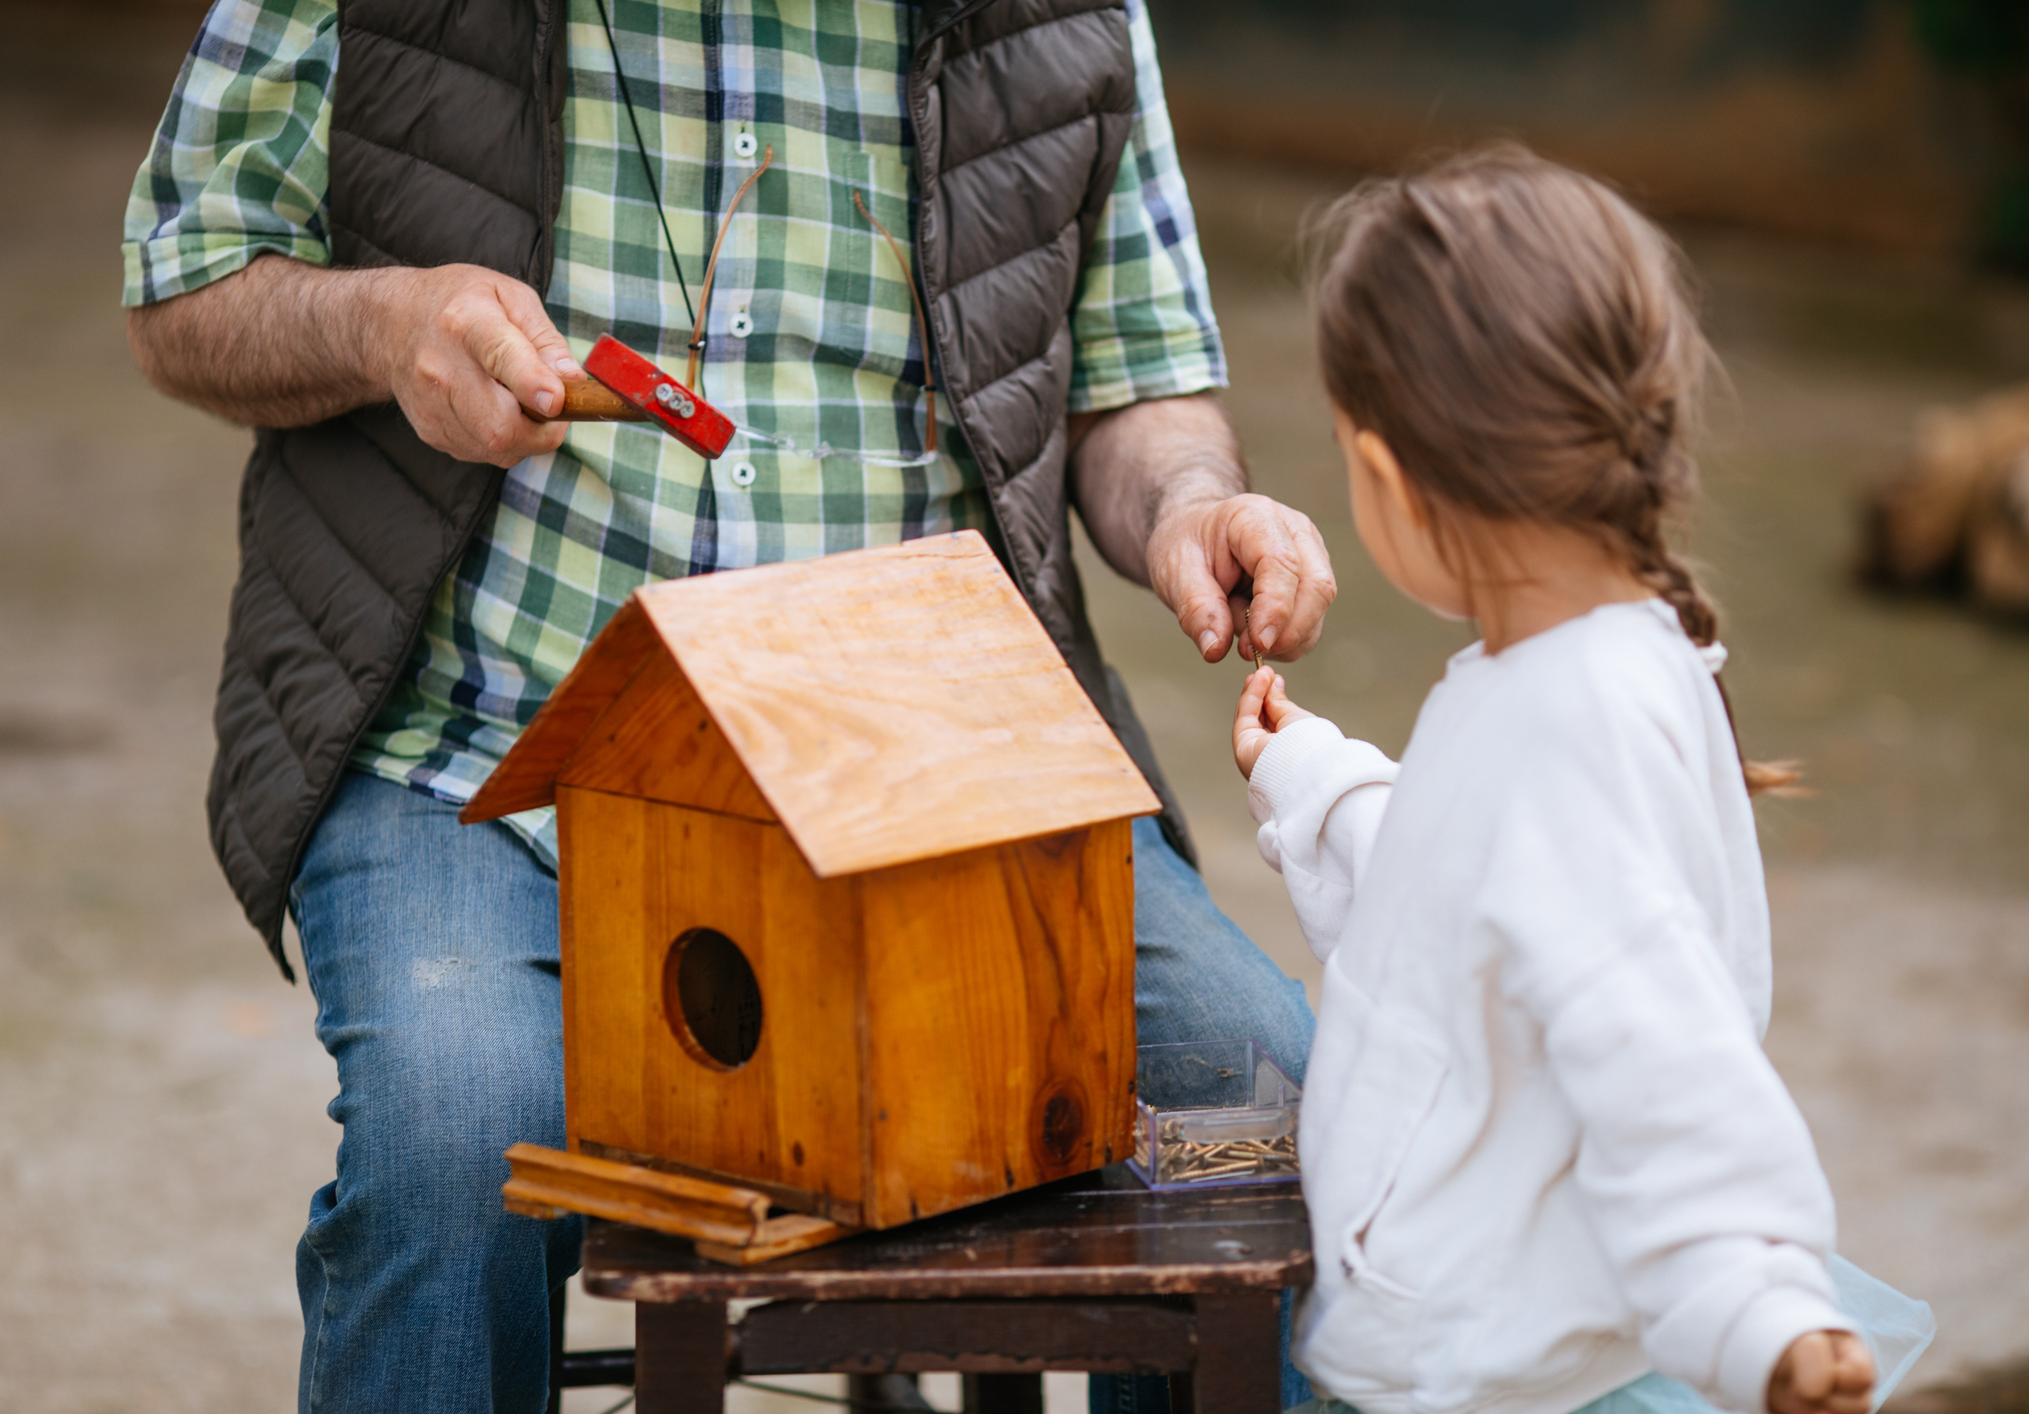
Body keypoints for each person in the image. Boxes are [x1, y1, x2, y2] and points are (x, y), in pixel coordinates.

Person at [122, 2, 1331, 1410]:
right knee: (452, 1143)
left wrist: (1192, 503)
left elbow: (1140, 387)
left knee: (1263, 1102)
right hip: (485, 757)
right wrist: (384, 325)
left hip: (938, 781)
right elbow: (182, 283)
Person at [1229, 148, 1935, 1414]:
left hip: (1505, 1375)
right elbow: (1476, 919)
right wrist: (1314, 778)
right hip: (1495, 1341)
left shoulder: (1566, 715)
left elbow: (1654, 1041)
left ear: (1389, 479)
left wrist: (1752, 1297)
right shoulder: (1595, 667)